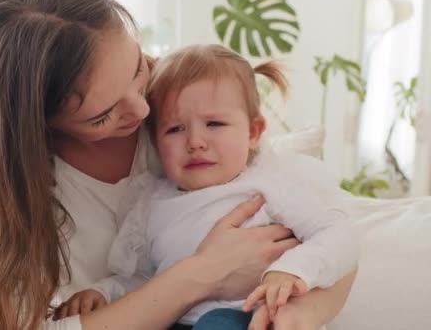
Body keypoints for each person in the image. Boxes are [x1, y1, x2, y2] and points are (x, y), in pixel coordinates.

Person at [0, 0, 357, 329]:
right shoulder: (11, 191)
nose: (144, 111)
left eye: (136, 70)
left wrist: (304, 311)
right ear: (37, 124)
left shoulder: (183, 108)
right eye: (103, 114)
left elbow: (331, 236)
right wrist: (201, 273)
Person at [56, 44, 359, 329]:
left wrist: (293, 271)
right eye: (175, 129)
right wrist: (104, 293)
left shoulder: (270, 186)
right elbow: (147, 280)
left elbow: (338, 234)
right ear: (155, 140)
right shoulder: (151, 201)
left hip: (245, 316)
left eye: (214, 124)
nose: (195, 142)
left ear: (254, 132)